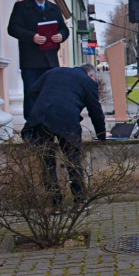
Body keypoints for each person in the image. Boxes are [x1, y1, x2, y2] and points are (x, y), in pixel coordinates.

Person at [21, 64, 107, 211]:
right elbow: (95, 112)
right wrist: (102, 135)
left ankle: (56, 205)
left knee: (47, 163)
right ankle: (79, 202)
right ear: (91, 75)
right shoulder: (88, 82)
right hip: (67, 120)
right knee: (72, 161)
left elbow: (33, 91)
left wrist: (46, 102)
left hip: (41, 117)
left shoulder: (53, 71)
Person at [7, 0, 69, 118]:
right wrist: (32, 37)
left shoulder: (54, 8)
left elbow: (64, 29)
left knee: (50, 93)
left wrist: (61, 35)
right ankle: (31, 129)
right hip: (31, 61)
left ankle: (49, 125)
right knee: (31, 93)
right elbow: (12, 28)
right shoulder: (21, 7)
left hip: (50, 60)